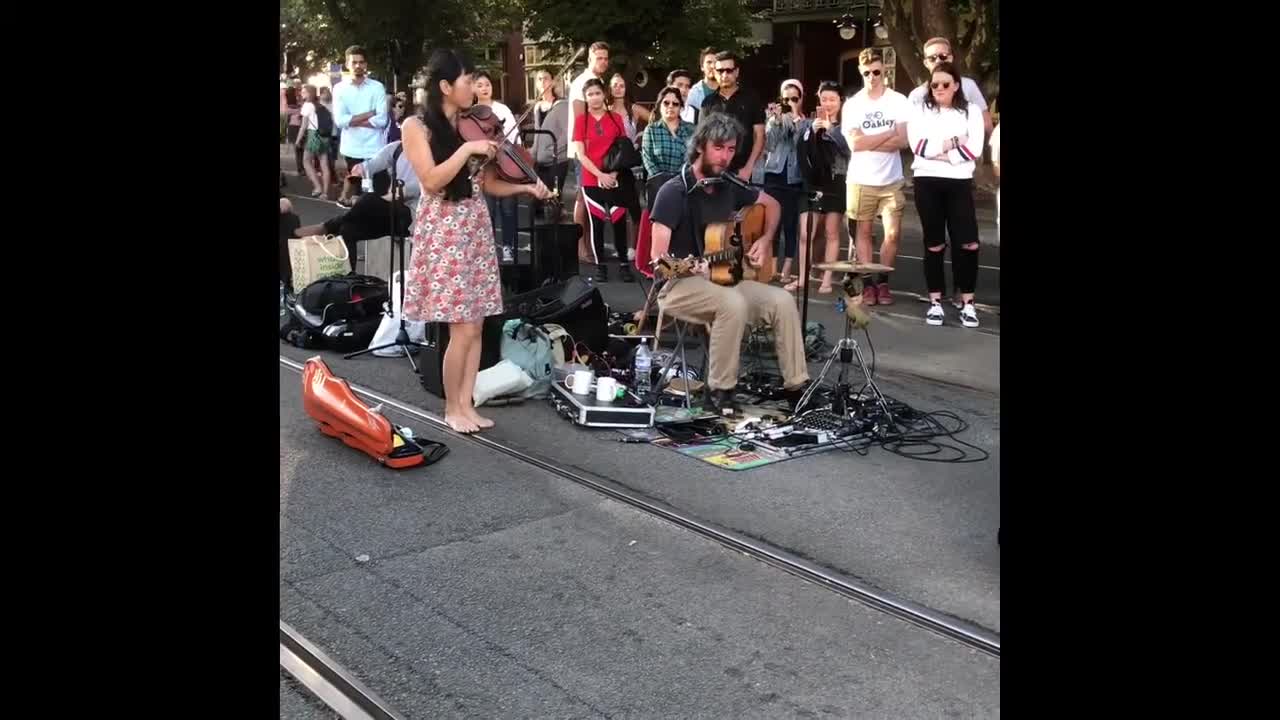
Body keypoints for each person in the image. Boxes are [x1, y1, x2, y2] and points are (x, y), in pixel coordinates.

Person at [400, 49, 550, 433]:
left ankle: (467, 405)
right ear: (446, 86)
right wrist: (467, 149)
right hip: (445, 232)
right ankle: (452, 408)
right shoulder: (416, 127)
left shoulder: (473, 124)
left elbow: (486, 184)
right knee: (460, 327)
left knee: (478, 324)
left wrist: (526, 187)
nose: (474, 87)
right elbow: (431, 181)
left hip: (475, 227)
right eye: (468, 80)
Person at [648, 113, 808, 416]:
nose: (725, 157)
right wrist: (694, 268)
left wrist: (765, 239)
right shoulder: (674, 192)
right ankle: (720, 392)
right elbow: (659, 262)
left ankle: (796, 390)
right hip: (679, 284)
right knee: (732, 303)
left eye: (731, 149)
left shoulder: (728, 185)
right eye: (718, 148)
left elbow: (772, 205)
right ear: (700, 147)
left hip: (724, 277)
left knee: (782, 300)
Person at [906, 62, 986, 328]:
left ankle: (968, 303)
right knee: (934, 243)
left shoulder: (971, 111)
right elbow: (917, 145)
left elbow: (974, 146)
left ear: (956, 86)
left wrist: (941, 153)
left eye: (945, 84)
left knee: (968, 242)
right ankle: (935, 302)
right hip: (926, 181)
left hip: (960, 182)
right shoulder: (920, 110)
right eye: (934, 84)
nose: (939, 88)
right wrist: (953, 143)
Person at [842, 47, 911, 305]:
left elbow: (903, 140)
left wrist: (869, 140)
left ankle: (883, 282)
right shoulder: (853, 104)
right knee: (864, 233)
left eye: (877, 72)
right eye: (867, 73)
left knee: (892, 234)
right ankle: (869, 283)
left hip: (891, 180)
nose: (873, 77)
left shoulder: (898, 100)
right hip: (861, 179)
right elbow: (855, 145)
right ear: (861, 72)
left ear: (884, 72)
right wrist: (886, 134)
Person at [572, 78, 635, 283]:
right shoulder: (582, 120)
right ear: (585, 97)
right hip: (591, 180)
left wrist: (613, 174)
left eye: (597, 93)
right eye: (589, 94)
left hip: (616, 178)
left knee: (618, 221)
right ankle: (601, 267)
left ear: (603, 94)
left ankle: (624, 265)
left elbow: (623, 149)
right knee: (596, 224)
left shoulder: (616, 118)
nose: (594, 97)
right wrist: (600, 175)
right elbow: (581, 154)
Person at [291, 166, 412, 273]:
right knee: (347, 229)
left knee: (352, 217)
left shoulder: (370, 199)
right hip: (385, 218)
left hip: (396, 218)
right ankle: (327, 229)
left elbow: (412, 190)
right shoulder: (396, 150)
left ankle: (324, 227)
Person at [794, 81, 851, 294]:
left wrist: (832, 131)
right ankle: (802, 278)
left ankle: (827, 278)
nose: (828, 104)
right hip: (812, 182)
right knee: (805, 232)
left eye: (832, 99)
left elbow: (849, 151)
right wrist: (810, 131)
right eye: (824, 99)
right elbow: (801, 152)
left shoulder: (846, 126)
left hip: (836, 181)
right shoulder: (809, 124)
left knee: (832, 232)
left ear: (840, 101)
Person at [568, 42, 612, 263]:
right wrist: (584, 149)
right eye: (599, 58)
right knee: (583, 198)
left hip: (599, 148)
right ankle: (580, 248)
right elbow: (579, 118)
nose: (603, 62)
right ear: (590, 59)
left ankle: (589, 246)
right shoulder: (581, 83)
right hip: (584, 149)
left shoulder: (600, 81)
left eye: (605, 58)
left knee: (589, 198)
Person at [760, 79, 806, 286]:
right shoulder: (773, 119)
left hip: (793, 178)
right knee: (771, 223)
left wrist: (794, 120)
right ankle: (772, 267)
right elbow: (769, 144)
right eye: (785, 99)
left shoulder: (805, 123)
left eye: (794, 99)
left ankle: (787, 267)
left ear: (801, 99)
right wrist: (775, 121)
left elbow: (799, 144)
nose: (789, 103)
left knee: (790, 224)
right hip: (773, 175)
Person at [333, 45, 389, 207]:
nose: (358, 66)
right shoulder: (339, 89)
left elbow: (382, 121)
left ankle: (379, 228)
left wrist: (352, 120)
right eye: (354, 62)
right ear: (347, 64)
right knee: (359, 197)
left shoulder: (377, 87)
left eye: (361, 62)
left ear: (366, 64)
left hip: (375, 149)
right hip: (352, 149)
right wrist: (370, 114)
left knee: (379, 193)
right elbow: (340, 121)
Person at [474, 70, 521, 263]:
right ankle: (489, 249)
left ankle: (509, 247)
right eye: (480, 85)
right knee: (488, 209)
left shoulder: (502, 110)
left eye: (487, 84)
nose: (485, 88)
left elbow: (513, 136)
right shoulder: (469, 112)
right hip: (483, 166)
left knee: (509, 209)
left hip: (505, 164)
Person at [700, 52, 766, 184]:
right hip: (714, 172)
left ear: (736, 72)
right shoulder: (708, 102)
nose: (724, 75)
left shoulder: (751, 98)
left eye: (729, 70)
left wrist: (748, 169)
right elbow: (702, 139)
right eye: (720, 71)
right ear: (715, 73)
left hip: (742, 171)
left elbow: (759, 136)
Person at [906, 37, 992, 136]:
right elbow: (912, 134)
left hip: (967, 148)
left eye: (943, 56)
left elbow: (986, 122)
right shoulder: (917, 95)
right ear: (926, 63)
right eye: (932, 58)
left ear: (950, 58)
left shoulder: (969, 85)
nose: (938, 61)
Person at [608, 72, 645, 260]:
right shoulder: (605, 110)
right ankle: (620, 246)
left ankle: (635, 247)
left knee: (634, 206)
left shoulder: (634, 109)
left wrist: (641, 138)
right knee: (616, 207)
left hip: (631, 164)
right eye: (614, 85)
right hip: (614, 163)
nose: (618, 88)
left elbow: (657, 120)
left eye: (621, 85)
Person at [531, 69, 569, 215]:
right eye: (539, 79)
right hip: (540, 161)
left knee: (553, 199)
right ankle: (542, 236)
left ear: (553, 82)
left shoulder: (561, 105)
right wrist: (533, 153)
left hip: (557, 160)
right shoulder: (537, 107)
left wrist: (553, 149)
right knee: (537, 202)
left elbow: (567, 133)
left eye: (546, 78)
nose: (542, 82)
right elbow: (537, 133)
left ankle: (557, 233)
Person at [297, 85, 334, 200]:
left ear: (309, 93)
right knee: (324, 164)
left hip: (313, 136)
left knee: (306, 161)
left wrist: (298, 140)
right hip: (324, 136)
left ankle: (318, 187)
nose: (301, 94)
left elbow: (303, 126)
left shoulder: (307, 105)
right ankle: (325, 193)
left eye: (303, 92)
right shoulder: (319, 105)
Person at [683, 48, 719, 126]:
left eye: (716, 62)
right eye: (709, 62)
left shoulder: (728, 90)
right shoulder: (693, 93)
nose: (713, 66)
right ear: (702, 67)